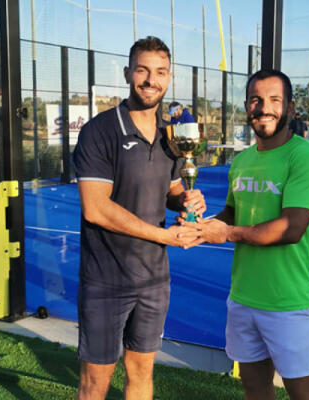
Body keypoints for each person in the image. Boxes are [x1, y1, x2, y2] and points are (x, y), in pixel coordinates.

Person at [182, 69, 309, 400]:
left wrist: (226, 233)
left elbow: (292, 227)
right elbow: (232, 213)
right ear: (247, 107)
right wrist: (200, 225)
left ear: (290, 107)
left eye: (275, 100)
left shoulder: (307, 157)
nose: (264, 108)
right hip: (243, 297)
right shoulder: (242, 161)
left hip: (289, 301)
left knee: (303, 396)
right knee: (255, 388)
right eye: (255, 100)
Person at [72, 36, 206, 400]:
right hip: (105, 280)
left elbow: (171, 191)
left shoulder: (170, 135)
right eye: (143, 70)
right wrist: (164, 237)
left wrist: (187, 199)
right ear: (128, 73)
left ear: (169, 77)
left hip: (154, 280)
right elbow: (95, 208)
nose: (151, 80)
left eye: (160, 72)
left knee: (142, 373)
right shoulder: (99, 131)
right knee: (95, 383)